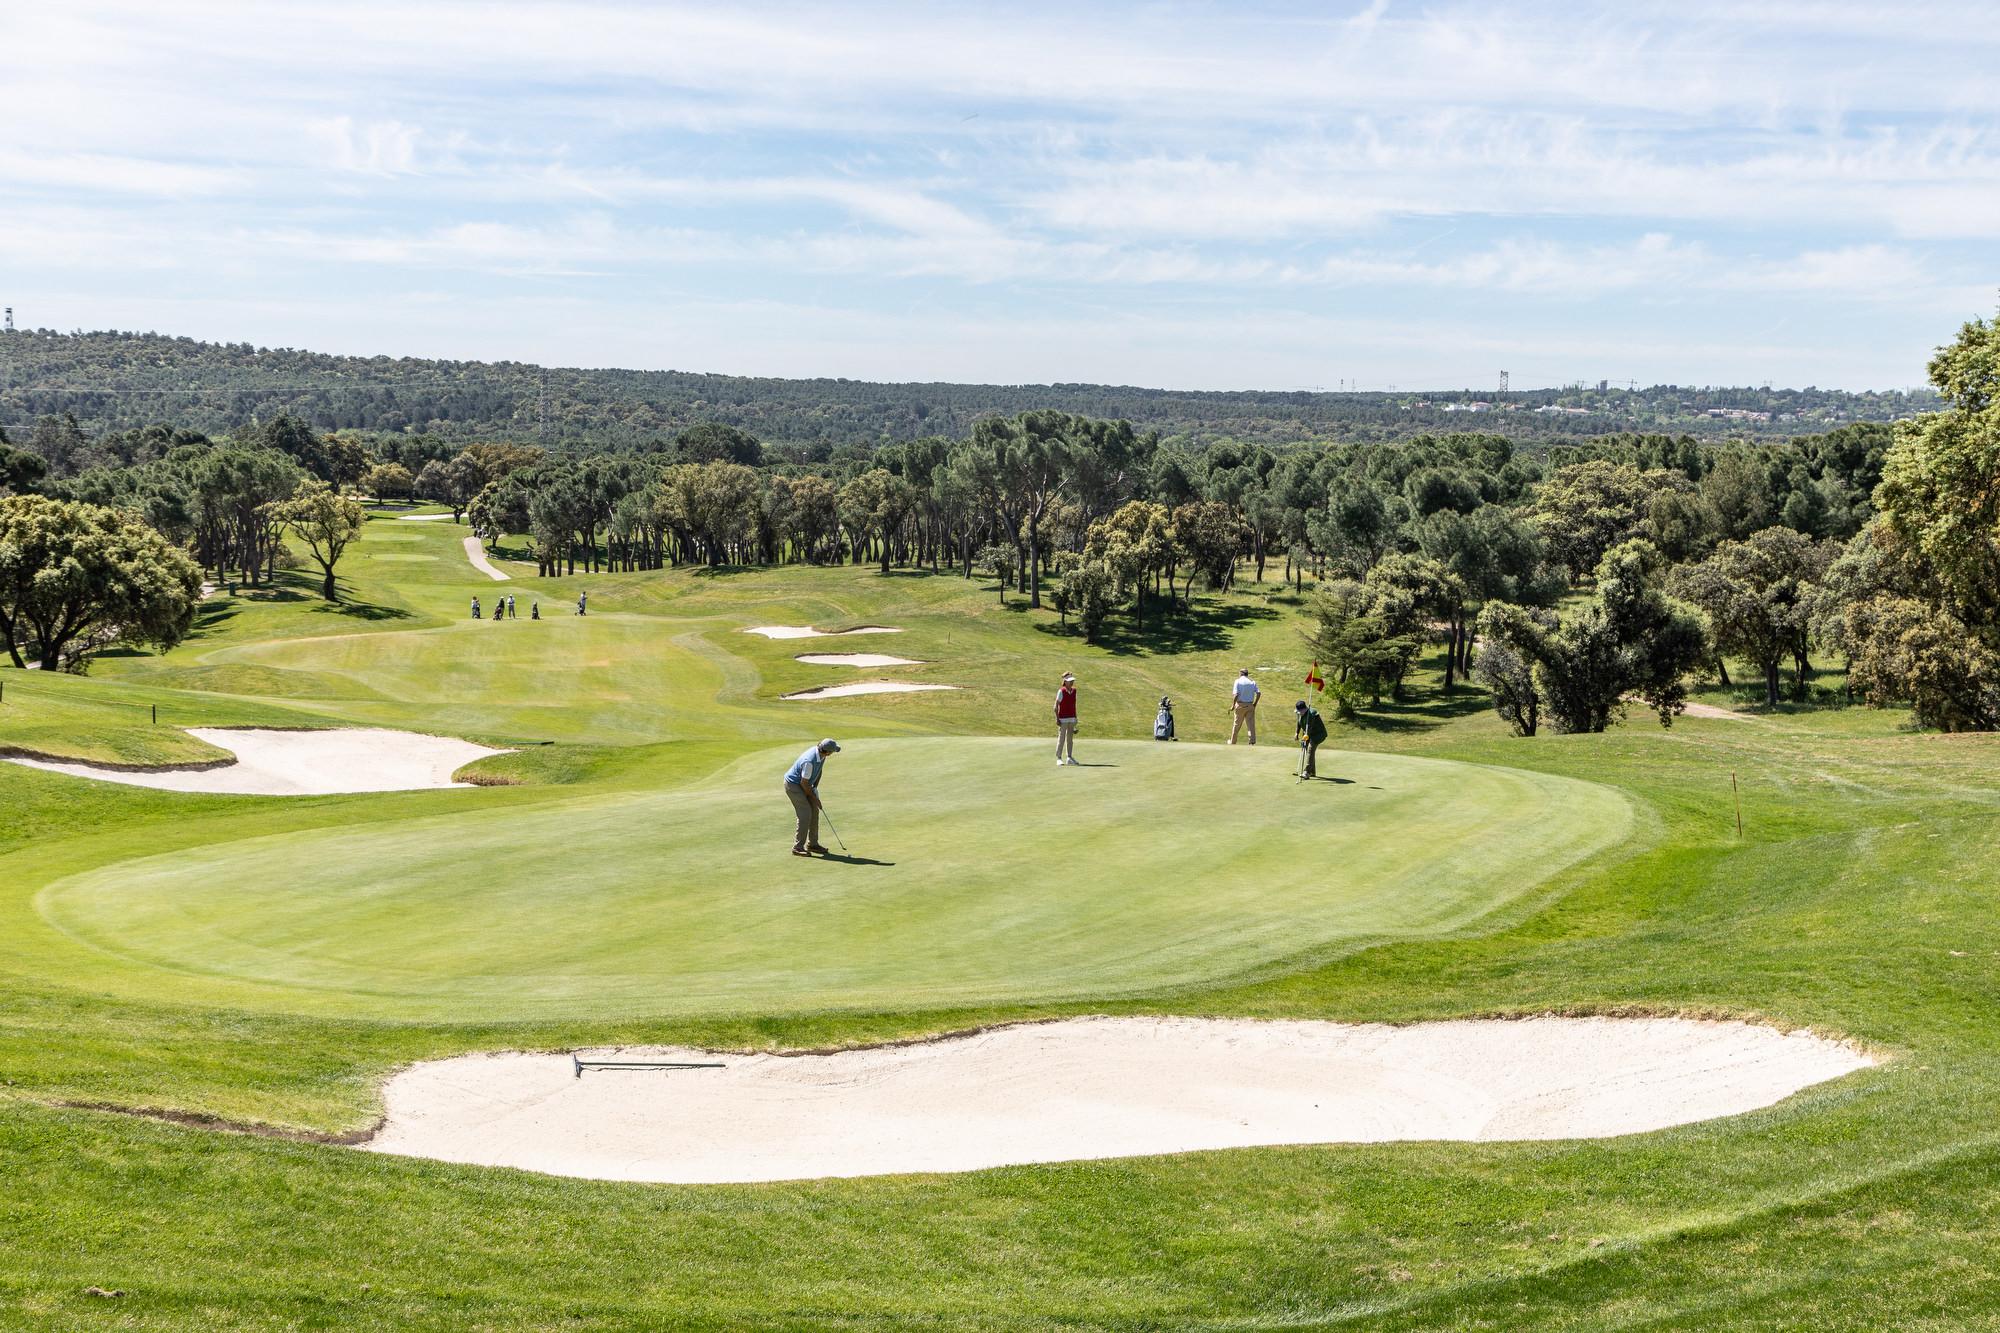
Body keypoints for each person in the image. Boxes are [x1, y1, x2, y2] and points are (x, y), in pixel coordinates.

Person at [783, 738, 841, 856]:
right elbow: (804, 783)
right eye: (832, 751)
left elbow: (819, 771)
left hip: (805, 784)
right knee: (805, 813)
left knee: (814, 811)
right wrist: (815, 798)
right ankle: (798, 847)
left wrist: (815, 788)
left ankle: (813, 844)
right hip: (793, 785)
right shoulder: (809, 761)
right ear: (827, 752)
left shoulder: (821, 754)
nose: (832, 753)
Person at [1294, 698, 1328, 778]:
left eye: (1299, 711)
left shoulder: (1311, 714)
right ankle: (1312, 772)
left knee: (1310, 749)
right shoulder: (1301, 714)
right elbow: (1299, 722)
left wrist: (1305, 737)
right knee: (1308, 750)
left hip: (1318, 734)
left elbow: (1309, 727)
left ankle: (1306, 772)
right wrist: (1297, 733)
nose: (1298, 713)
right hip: (1309, 734)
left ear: (1304, 709)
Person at [1229, 668, 1260, 745]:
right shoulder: (1252, 682)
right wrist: (1255, 704)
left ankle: (1233, 742)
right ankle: (1252, 742)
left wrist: (1233, 705)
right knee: (1250, 725)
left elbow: (1236, 695)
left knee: (1236, 725)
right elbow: (1258, 693)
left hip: (1240, 705)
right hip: (1250, 705)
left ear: (1241, 673)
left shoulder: (1237, 681)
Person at [1054, 672, 1078, 765]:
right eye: (1070, 681)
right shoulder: (1061, 691)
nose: (1072, 682)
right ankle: (1059, 758)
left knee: (1070, 739)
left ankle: (1069, 757)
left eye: (1072, 681)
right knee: (1061, 739)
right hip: (1063, 719)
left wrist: (1075, 719)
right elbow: (1055, 706)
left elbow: (1074, 705)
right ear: (1065, 682)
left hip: (1072, 719)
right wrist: (1057, 719)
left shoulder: (1074, 691)